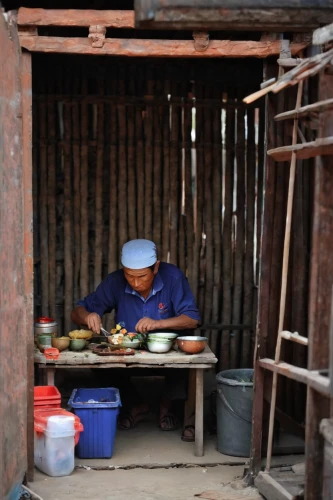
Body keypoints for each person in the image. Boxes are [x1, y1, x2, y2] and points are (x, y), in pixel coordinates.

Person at [71, 239, 200, 441]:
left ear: (156, 267)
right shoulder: (115, 281)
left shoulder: (173, 278)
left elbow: (192, 319)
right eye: (129, 276)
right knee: (98, 363)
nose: (136, 283)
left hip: (167, 353)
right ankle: (136, 404)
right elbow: (77, 311)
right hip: (128, 353)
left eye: (142, 276)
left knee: (188, 358)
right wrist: (87, 316)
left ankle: (167, 405)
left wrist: (158, 324)